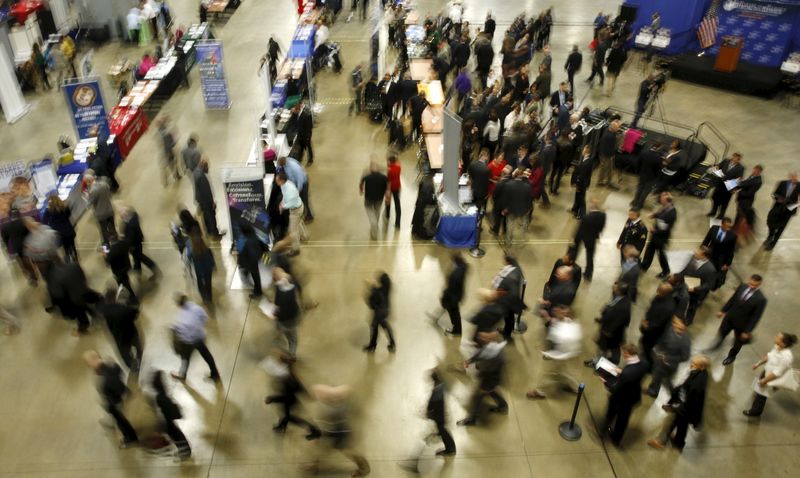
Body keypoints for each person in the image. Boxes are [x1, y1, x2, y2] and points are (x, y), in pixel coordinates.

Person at [647, 355, 709, 451]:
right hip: (686, 409)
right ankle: (679, 443)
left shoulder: (696, 384)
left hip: (684, 409)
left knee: (672, 423)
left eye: (694, 364)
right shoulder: (702, 373)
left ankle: (661, 442)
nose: (691, 365)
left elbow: (689, 400)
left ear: (702, 367)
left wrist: (675, 407)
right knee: (681, 426)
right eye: (692, 362)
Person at [83, 350, 139, 447]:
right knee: (118, 417)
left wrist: (117, 402)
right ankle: (112, 421)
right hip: (118, 397)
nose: (88, 366)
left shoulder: (105, 379)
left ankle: (130, 439)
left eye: (88, 363)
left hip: (116, 402)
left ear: (92, 361)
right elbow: (119, 372)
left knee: (121, 421)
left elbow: (113, 387)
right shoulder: (111, 364)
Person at [708, 274, 767, 365]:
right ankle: (717, 344)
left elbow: (756, 317)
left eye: (755, 285)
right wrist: (723, 311)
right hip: (730, 318)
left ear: (759, 284)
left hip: (742, 325)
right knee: (722, 332)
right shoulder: (742, 286)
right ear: (749, 280)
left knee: (737, 343)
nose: (751, 286)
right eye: (750, 283)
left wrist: (747, 331)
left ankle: (732, 356)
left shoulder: (761, 299)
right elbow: (732, 299)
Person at [527, 308, 582, 399]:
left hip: (559, 355)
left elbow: (554, 341)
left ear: (568, 315)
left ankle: (539, 391)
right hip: (570, 354)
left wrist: (546, 354)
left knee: (546, 372)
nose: (561, 314)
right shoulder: (574, 324)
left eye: (564, 313)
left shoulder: (565, 331)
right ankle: (575, 388)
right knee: (567, 372)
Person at [601, 344, 649, 446]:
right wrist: (621, 371)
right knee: (623, 420)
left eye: (624, 353)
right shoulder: (644, 363)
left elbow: (614, 388)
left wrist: (605, 381)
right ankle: (616, 439)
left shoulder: (627, 373)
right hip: (633, 396)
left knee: (610, 414)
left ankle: (603, 432)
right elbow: (634, 374)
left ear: (627, 354)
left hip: (620, 399)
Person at [264, 354, 321, 438]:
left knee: (290, 418)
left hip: (289, 400)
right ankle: (281, 427)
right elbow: (298, 386)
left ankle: (315, 430)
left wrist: (272, 398)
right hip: (289, 400)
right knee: (286, 416)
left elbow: (289, 392)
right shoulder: (289, 374)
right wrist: (306, 394)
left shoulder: (288, 377)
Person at [458, 331, 508, 426]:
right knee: (491, 392)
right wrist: (469, 361)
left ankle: (472, 419)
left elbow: (488, 370)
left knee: (479, 396)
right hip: (489, 378)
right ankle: (503, 407)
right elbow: (481, 353)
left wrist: (479, 367)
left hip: (489, 379)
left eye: (487, 338)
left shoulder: (498, 357)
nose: (483, 339)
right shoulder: (490, 347)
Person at [743, 332, 798, 418]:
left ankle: (755, 412)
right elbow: (769, 356)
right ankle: (758, 394)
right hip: (767, 371)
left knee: (762, 394)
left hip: (772, 377)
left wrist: (764, 381)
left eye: (778, 337)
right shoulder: (777, 347)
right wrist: (758, 363)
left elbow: (777, 373)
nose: (775, 337)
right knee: (759, 389)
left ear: (783, 343)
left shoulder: (787, 357)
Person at [170, 294, 221, 382]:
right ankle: (215, 373)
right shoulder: (195, 307)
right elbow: (205, 318)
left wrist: (174, 329)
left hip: (189, 341)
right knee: (207, 356)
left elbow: (182, 332)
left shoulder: (183, 317)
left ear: (179, 304)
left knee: (185, 358)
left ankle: (182, 375)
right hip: (200, 337)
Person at [95, 288, 143, 372]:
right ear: (115, 298)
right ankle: (140, 356)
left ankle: (133, 367)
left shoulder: (104, 310)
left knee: (125, 354)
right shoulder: (123, 309)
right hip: (131, 333)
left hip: (119, 337)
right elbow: (135, 313)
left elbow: (98, 308)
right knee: (137, 345)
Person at [586, 281, 632, 366]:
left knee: (604, 348)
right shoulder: (620, 297)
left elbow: (620, 321)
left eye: (615, 287)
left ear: (619, 291)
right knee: (611, 347)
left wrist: (608, 330)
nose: (613, 287)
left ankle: (598, 363)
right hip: (610, 330)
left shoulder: (623, 307)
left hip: (611, 332)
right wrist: (601, 319)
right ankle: (603, 361)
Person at [646, 318, 691, 398]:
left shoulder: (685, 341)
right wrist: (656, 349)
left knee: (666, 381)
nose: (674, 325)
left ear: (684, 327)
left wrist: (668, 358)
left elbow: (685, 357)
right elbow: (662, 340)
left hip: (669, 365)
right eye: (674, 323)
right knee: (656, 376)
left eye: (677, 324)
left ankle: (674, 396)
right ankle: (653, 390)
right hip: (659, 360)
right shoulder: (670, 330)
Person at [152, 371, 191, 458]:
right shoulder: (163, 394)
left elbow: (162, 410)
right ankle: (185, 449)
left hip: (167, 420)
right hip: (169, 420)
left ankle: (185, 451)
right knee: (177, 434)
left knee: (175, 435)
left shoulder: (159, 397)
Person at [641, 192, 677, 279]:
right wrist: (654, 215)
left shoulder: (672, 214)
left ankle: (666, 271)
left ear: (667, 201)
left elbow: (666, 229)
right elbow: (660, 212)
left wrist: (655, 230)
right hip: (655, 235)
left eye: (661, 198)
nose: (660, 199)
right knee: (649, 251)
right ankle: (644, 266)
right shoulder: (666, 207)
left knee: (661, 256)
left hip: (661, 238)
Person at [268, 268, 301, 357]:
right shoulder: (292, 286)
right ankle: (292, 354)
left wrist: (273, 314)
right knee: (293, 339)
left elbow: (278, 308)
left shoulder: (280, 292)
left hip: (284, 320)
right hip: (293, 318)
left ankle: (277, 344)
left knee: (281, 330)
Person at [121, 207, 161, 280]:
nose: (121, 217)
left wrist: (124, 242)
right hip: (139, 240)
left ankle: (153, 267)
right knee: (136, 257)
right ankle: (137, 269)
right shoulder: (134, 217)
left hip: (134, 245)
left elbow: (130, 239)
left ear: (126, 215)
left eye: (123, 215)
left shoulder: (130, 225)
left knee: (140, 257)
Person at [681, 247, 716, 326]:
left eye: (698, 253)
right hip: (687, 285)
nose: (695, 253)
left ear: (705, 256)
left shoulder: (711, 269)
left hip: (697, 292)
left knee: (692, 307)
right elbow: (685, 269)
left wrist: (695, 289)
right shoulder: (692, 258)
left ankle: (688, 320)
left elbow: (709, 284)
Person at [572, 198, 606, 281]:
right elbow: (602, 226)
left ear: (591, 206)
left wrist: (575, 239)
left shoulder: (586, 217)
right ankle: (588, 274)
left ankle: (571, 267)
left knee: (575, 252)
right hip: (593, 238)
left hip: (583, 237)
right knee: (590, 256)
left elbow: (580, 230)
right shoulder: (603, 215)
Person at [764, 172, 799, 251]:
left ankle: (772, 244)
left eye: (796, 178)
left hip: (789, 210)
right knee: (770, 222)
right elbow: (774, 194)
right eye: (793, 177)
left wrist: (798, 203)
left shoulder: (799, 185)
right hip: (778, 207)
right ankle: (770, 235)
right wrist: (778, 199)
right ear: (790, 177)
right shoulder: (783, 183)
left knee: (781, 228)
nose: (794, 179)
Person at [425, 370, 456, 456]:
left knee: (442, 429)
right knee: (441, 428)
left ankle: (450, 449)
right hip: (440, 412)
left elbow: (433, 403)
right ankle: (447, 443)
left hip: (439, 413)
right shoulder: (441, 385)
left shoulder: (437, 390)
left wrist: (428, 411)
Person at [275, 172, 307, 256]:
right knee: (298, 223)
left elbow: (291, 203)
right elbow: (285, 197)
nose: (276, 181)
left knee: (293, 231)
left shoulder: (290, 190)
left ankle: (296, 249)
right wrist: (282, 203)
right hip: (296, 208)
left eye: (277, 180)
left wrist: (283, 206)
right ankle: (304, 236)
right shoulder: (284, 185)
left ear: (282, 180)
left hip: (296, 210)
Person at [193, 159, 225, 239]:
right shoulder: (201, 177)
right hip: (206, 201)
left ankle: (208, 231)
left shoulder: (196, 172)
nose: (208, 169)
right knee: (211, 217)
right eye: (207, 167)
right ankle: (215, 234)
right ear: (204, 166)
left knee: (206, 216)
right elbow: (206, 192)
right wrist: (212, 202)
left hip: (200, 199)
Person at [363, 272, 395, 353]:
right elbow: (378, 290)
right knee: (385, 327)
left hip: (379, 313)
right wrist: (372, 287)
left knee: (374, 328)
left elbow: (371, 304)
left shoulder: (377, 292)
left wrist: (368, 292)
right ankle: (392, 343)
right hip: (386, 311)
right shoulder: (387, 288)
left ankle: (372, 346)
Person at [701, 218, 736, 289]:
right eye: (726, 226)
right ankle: (703, 283)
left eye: (729, 227)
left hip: (721, 258)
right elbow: (706, 240)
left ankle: (713, 286)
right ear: (722, 224)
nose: (728, 229)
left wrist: (727, 264)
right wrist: (703, 247)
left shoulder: (732, 236)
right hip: (709, 254)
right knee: (705, 271)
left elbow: (731, 251)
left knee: (716, 273)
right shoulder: (714, 228)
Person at [105, 233, 139, 305]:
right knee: (125, 281)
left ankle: (133, 299)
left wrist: (104, 255)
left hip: (118, 271)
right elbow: (130, 248)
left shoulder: (112, 251)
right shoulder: (123, 243)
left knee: (125, 284)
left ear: (110, 241)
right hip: (126, 266)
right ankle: (129, 295)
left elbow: (107, 262)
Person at [359, 160, 390, 241]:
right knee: (377, 213)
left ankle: (374, 230)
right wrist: (387, 197)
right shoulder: (384, 178)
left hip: (368, 200)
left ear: (371, 169)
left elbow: (361, 183)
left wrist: (361, 190)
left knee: (372, 216)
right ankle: (374, 227)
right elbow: (388, 188)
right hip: (379, 200)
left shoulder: (367, 177)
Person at [708, 153, 744, 219]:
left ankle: (721, 215)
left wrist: (734, 188)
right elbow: (719, 166)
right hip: (720, 184)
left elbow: (739, 178)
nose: (735, 159)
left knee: (724, 202)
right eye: (735, 157)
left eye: (737, 159)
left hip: (728, 187)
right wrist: (715, 168)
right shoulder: (726, 161)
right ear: (733, 157)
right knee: (715, 198)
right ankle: (713, 211)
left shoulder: (740, 168)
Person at [439, 253, 468, 336]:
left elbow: (451, 288)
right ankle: (457, 329)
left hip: (453, 298)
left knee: (454, 314)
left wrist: (445, 296)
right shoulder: (465, 266)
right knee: (455, 313)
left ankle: (457, 331)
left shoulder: (454, 275)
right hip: (459, 294)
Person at [43, 195, 77, 262]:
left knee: (66, 249)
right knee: (72, 245)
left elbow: (44, 222)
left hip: (60, 234)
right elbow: (68, 215)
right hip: (69, 231)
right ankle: (76, 258)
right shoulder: (64, 207)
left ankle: (70, 262)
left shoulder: (48, 211)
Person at [84, 173, 116, 245]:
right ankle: (116, 243)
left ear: (89, 181)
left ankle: (107, 250)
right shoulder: (104, 184)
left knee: (104, 233)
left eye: (86, 182)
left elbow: (89, 204)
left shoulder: (93, 191)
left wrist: (86, 197)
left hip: (101, 215)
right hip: (110, 210)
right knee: (113, 229)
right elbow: (110, 195)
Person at [733, 164, 763, 242]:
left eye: (755, 171)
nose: (753, 171)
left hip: (746, 201)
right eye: (753, 169)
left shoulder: (758, 181)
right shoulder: (753, 176)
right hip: (742, 199)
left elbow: (750, 193)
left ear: (759, 172)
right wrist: (738, 184)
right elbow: (746, 183)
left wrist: (738, 192)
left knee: (741, 214)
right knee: (739, 213)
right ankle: (736, 226)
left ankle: (739, 229)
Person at [237, 223, 265, 298]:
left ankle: (258, 292)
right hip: (252, 262)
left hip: (252, 263)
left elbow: (254, 255)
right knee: (253, 274)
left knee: (255, 276)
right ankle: (257, 289)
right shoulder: (253, 236)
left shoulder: (249, 241)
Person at [187, 232, 215, 306]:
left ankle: (204, 298)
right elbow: (212, 258)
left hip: (199, 270)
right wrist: (213, 265)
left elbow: (188, 260)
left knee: (200, 284)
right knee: (208, 283)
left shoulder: (192, 252)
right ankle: (209, 298)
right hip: (208, 269)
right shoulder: (207, 249)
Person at [631, 142, 662, 209]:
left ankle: (634, 202)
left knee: (639, 188)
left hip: (642, 175)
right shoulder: (658, 158)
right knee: (646, 191)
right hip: (651, 177)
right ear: (659, 148)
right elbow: (658, 170)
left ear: (651, 145)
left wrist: (638, 172)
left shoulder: (644, 153)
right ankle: (639, 205)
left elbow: (638, 163)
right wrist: (656, 177)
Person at [570, 145, 593, 219]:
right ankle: (575, 210)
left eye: (584, 149)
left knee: (581, 199)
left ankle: (582, 215)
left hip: (582, 184)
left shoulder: (586, 162)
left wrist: (578, 185)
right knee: (577, 197)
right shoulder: (586, 159)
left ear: (586, 151)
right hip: (582, 183)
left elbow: (582, 175)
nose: (582, 150)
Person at [156, 117, 180, 184]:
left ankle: (166, 180)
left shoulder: (159, 132)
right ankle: (176, 176)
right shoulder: (165, 133)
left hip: (164, 152)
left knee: (166, 167)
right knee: (172, 164)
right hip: (168, 152)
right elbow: (169, 144)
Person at [597, 120, 620, 189]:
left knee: (607, 168)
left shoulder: (608, 131)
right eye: (617, 128)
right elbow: (609, 147)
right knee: (605, 168)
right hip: (606, 155)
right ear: (613, 128)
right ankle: (602, 182)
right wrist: (611, 156)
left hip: (604, 153)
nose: (618, 129)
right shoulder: (610, 136)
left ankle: (606, 181)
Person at [468, 148, 491, 213]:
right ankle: (477, 220)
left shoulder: (472, 164)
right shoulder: (487, 169)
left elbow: (470, 175)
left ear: (479, 155)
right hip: (481, 193)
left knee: (470, 208)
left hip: (472, 189)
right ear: (486, 157)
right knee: (477, 209)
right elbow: (486, 183)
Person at [385, 155, 402, 229]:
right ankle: (398, 223)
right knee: (397, 203)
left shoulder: (389, 170)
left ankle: (387, 215)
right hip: (397, 187)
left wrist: (387, 191)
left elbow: (388, 181)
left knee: (388, 201)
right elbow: (398, 162)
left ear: (389, 161)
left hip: (390, 187)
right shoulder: (398, 168)